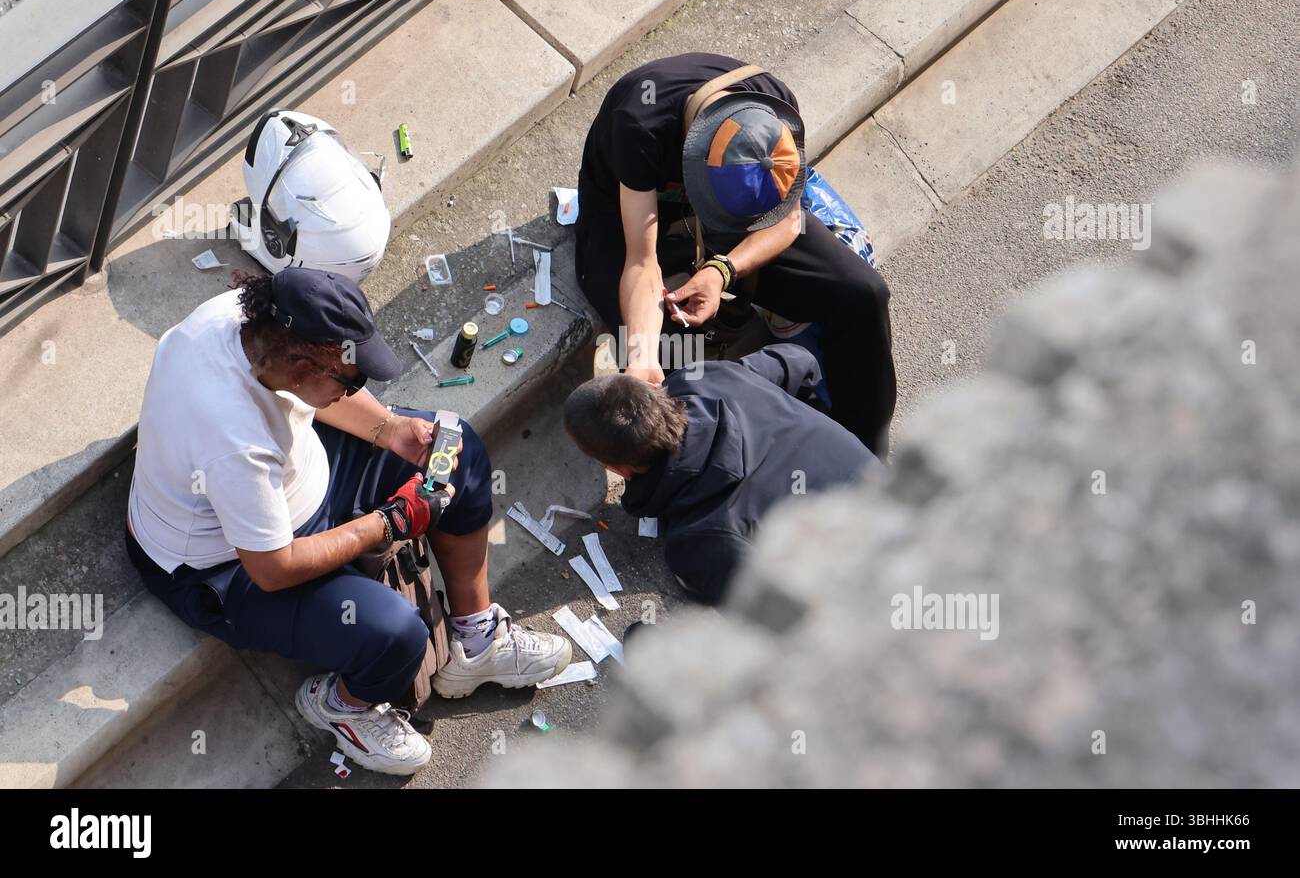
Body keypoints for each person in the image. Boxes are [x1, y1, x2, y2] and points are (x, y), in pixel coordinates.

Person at [124, 267, 571, 775]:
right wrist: (393, 521)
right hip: (226, 569)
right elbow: (274, 567)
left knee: (457, 451)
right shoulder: (232, 439)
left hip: (296, 483)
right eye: (350, 378)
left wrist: (388, 429)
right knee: (397, 634)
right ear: (299, 369)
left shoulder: (249, 321)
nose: (357, 386)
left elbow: (326, 400)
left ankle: (474, 639)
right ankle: (341, 705)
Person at [574, 52, 897, 456]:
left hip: (736, 219)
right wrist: (641, 357)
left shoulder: (773, 107)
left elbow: (788, 219)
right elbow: (642, 261)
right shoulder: (640, 125)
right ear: (692, 163)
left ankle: (865, 451)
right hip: (632, 223)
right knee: (675, 357)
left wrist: (722, 270)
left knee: (862, 293)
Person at [562, 345, 877, 604]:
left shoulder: (701, 541)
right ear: (652, 391)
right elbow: (801, 359)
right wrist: (805, 414)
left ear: (618, 469)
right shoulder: (707, 379)